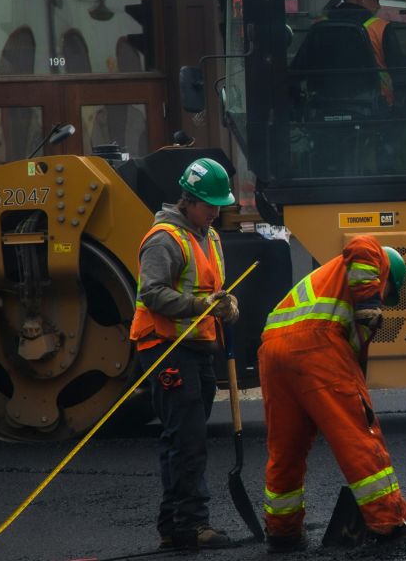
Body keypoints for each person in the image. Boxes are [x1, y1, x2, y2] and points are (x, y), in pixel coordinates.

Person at [259, 235, 406, 553]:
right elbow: (361, 243)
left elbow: (354, 362)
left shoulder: (329, 289)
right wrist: (368, 304)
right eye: (388, 292)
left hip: (273, 350)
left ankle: (283, 532)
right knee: (358, 436)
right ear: (385, 276)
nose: (384, 299)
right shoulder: (372, 259)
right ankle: (389, 522)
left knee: (286, 448)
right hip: (315, 346)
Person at [129, 157, 241, 549]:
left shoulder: (208, 236)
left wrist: (226, 304)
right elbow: (151, 293)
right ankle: (191, 525)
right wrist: (201, 307)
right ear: (189, 200)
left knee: (187, 436)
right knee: (186, 437)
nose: (216, 212)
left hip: (195, 345)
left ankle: (174, 526)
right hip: (164, 347)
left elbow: (210, 289)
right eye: (210, 204)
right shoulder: (164, 239)